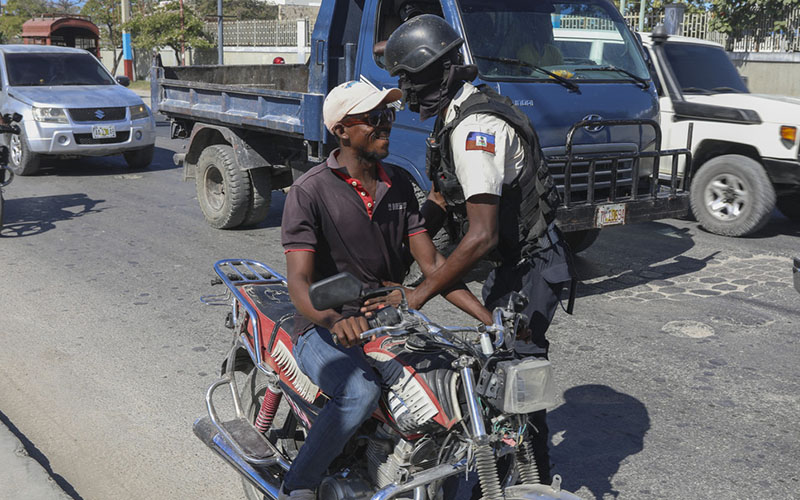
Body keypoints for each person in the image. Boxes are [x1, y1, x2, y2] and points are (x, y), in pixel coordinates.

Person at [383, 14, 576, 485]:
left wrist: (418, 294)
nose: (405, 91)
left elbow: (481, 235)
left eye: (410, 78)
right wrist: (399, 242)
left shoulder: (476, 130)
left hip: (530, 267)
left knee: (516, 377)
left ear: (440, 72)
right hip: (511, 265)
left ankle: (533, 482)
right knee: (497, 368)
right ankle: (501, 472)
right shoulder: (453, 114)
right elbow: (438, 197)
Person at [279, 80, 491, 500]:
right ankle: (298, 486)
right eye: (373, 118)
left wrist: (492, 322)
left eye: (388, 116)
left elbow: (433, 268)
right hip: (323, 323)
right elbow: (299, 283)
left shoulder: (396, 185)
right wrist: (335, 319)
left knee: (450, 381)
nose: (385, 125)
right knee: (359, 390)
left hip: (387, 319)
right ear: (341, 130)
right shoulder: (310, 191)